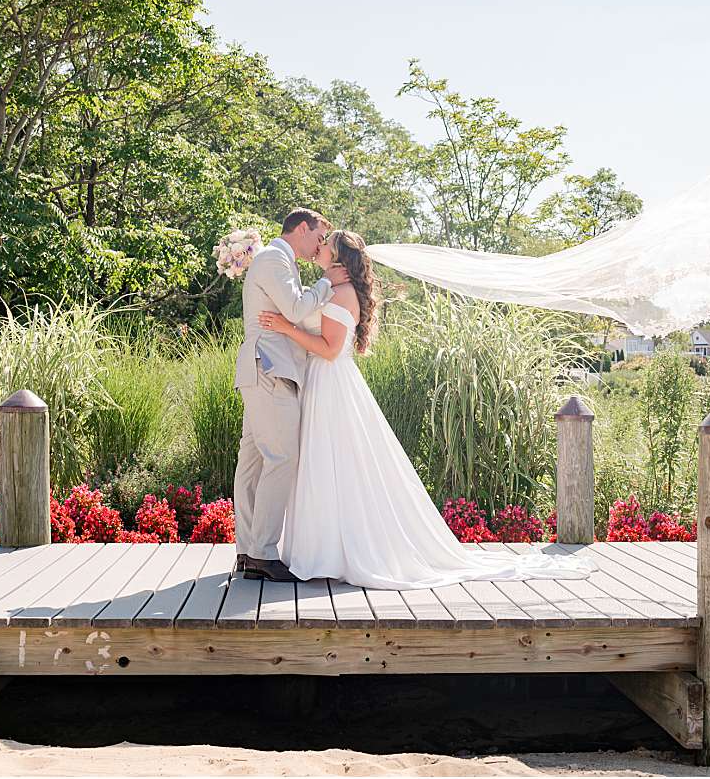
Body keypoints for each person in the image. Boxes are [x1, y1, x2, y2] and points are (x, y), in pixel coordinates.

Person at [259, 229, 594, 590]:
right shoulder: (333, 288)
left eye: (326, 245)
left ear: (338, 257)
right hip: (324, 384)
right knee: (325, 466)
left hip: (330, 384)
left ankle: (330, 553)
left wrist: (284, 327)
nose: (319, 247)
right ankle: (323, 549)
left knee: (331, 464)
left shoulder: (340, 293)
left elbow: (327, 349)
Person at [233, 208, 348, 582]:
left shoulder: (279, 260)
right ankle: (263, 552)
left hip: (262, 369)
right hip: (270, 368)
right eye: (318, 235)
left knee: (252, 463)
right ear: (302, 228)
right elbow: (297, 308)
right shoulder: (273, 258)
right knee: (281, 458)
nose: (319, 245)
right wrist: (327, 283)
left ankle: (249, 552)